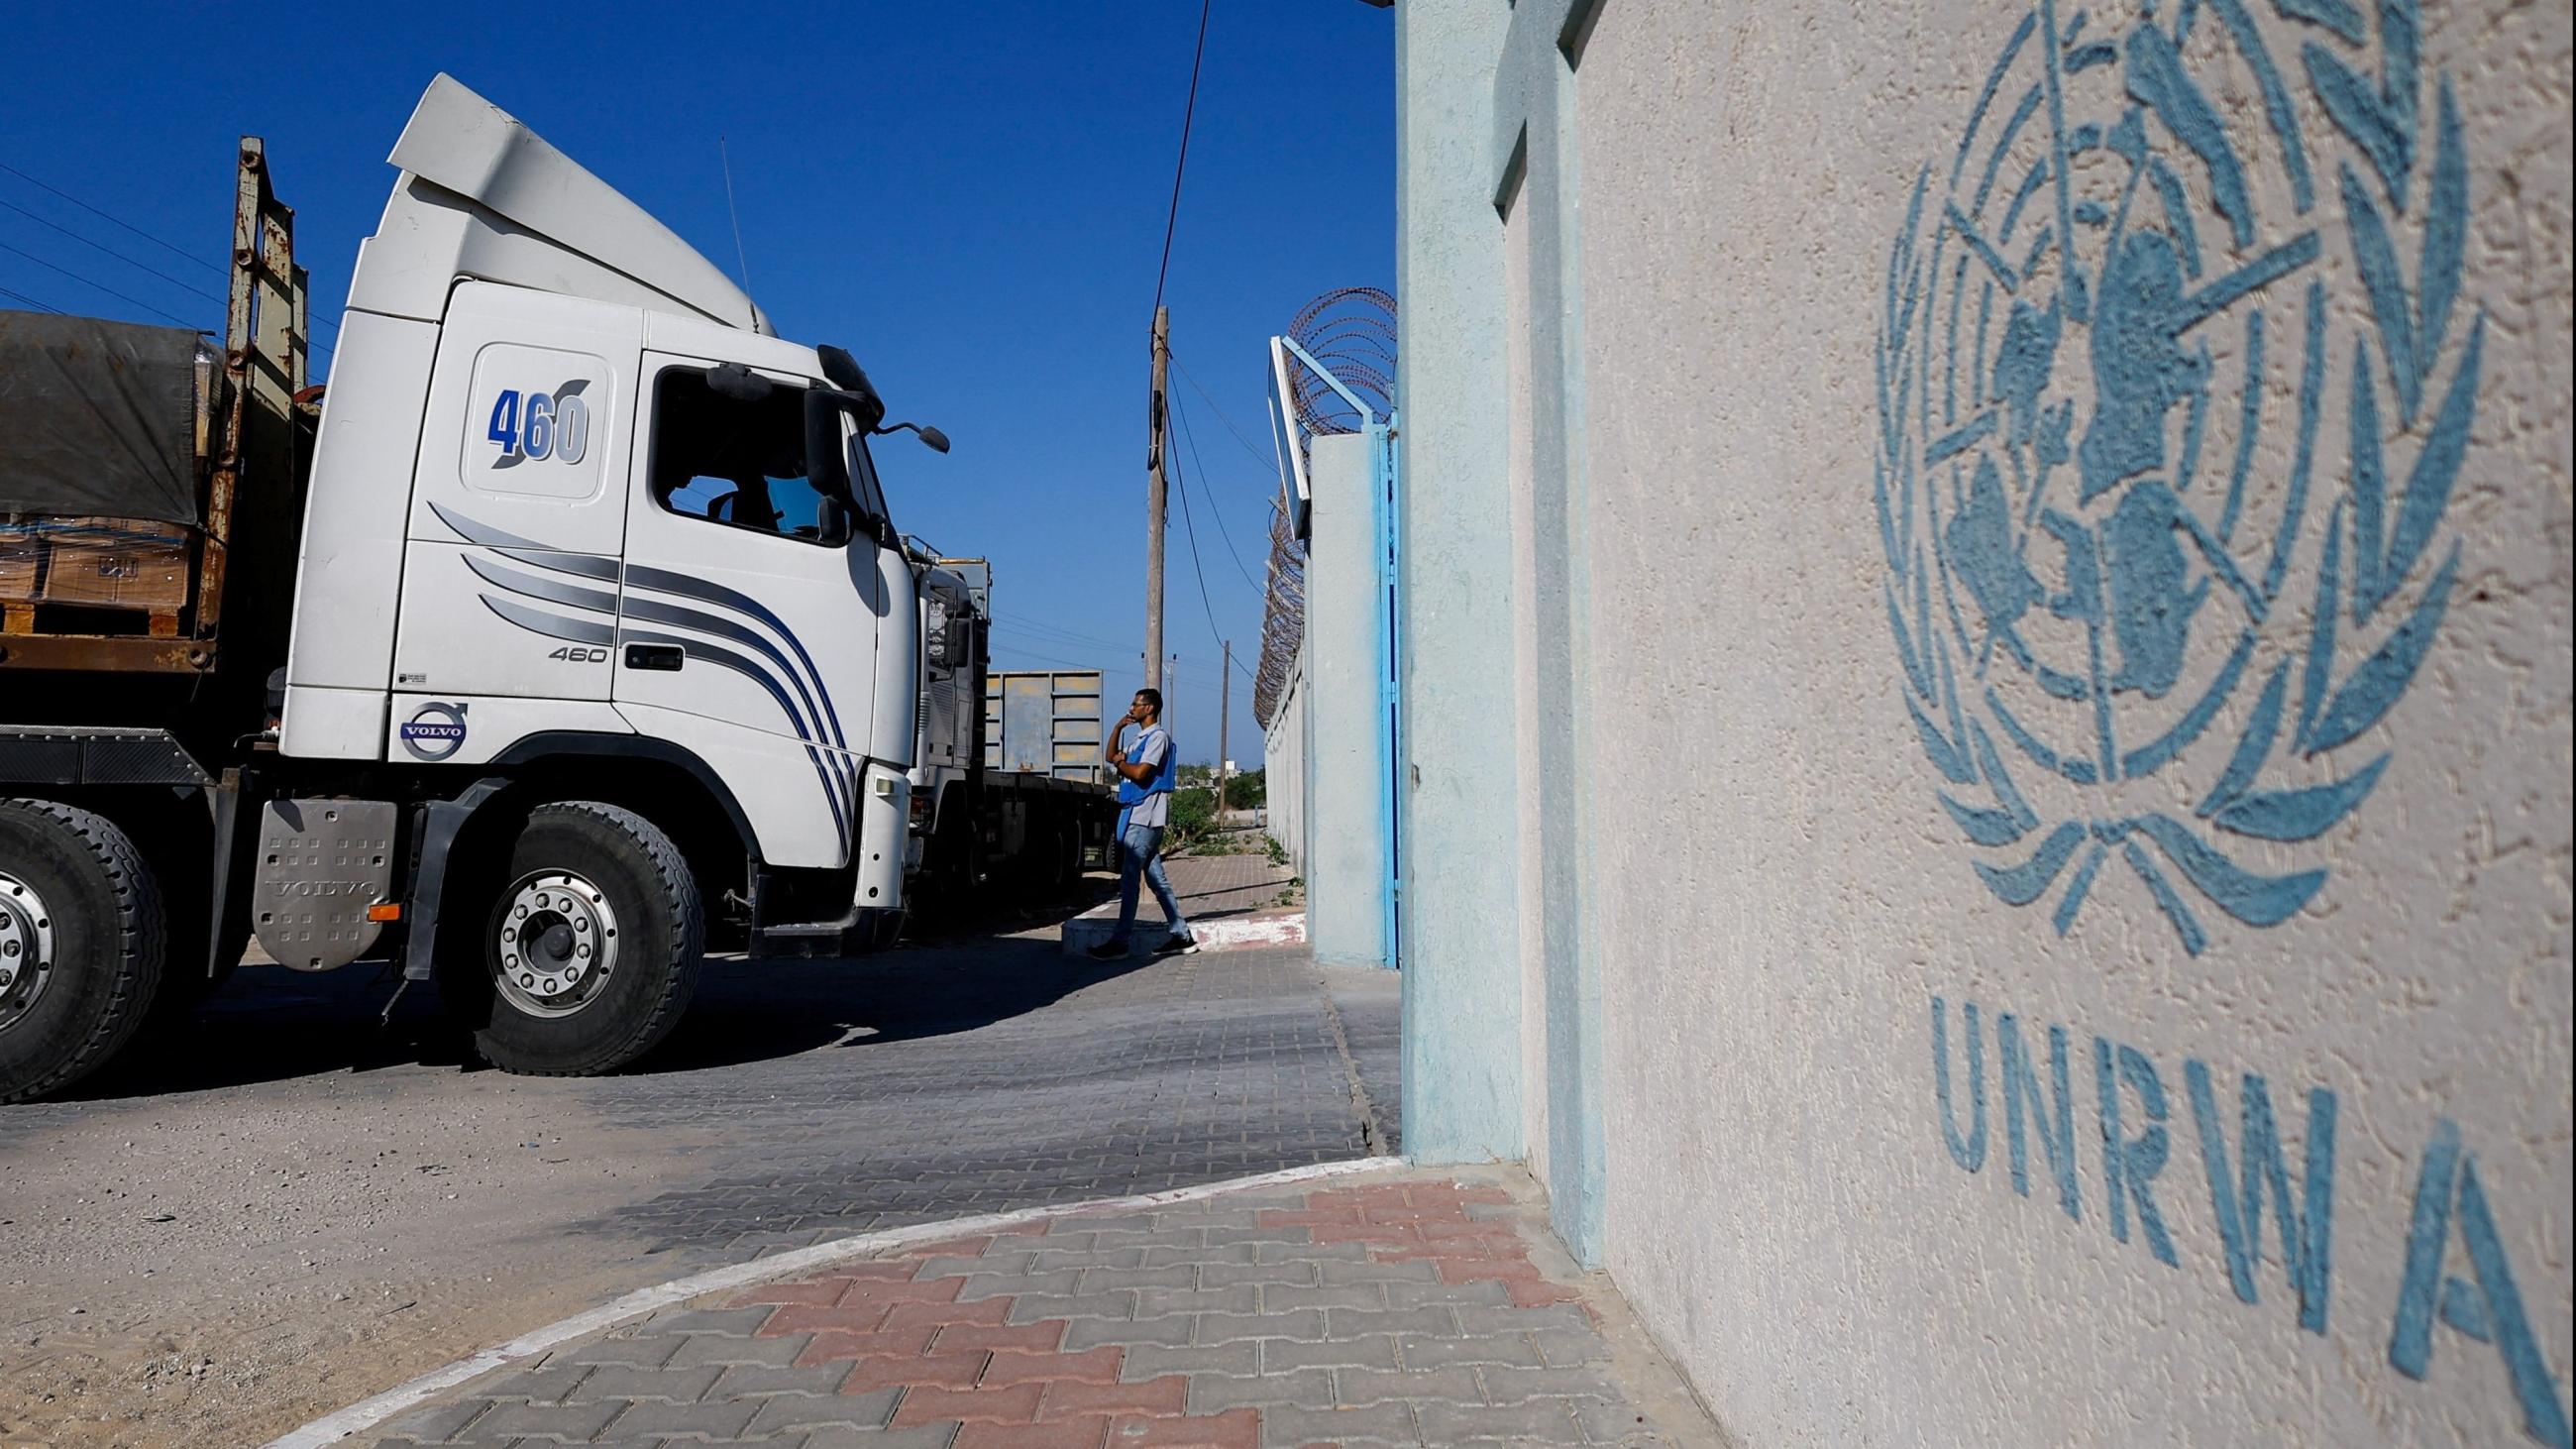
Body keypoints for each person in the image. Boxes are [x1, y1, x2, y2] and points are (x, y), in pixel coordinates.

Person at [1090, 688, 1197, 959]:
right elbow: (1110, 756)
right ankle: (1181, 935)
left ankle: (1120, 941)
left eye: (1137, 704)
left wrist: (1121, 764)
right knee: (1157, 880)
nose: (1132, 708)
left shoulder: (1158, 738)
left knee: (1129, 880)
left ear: (1149, 708)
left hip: (1146, 816)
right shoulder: (1139, 738)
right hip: (1135, 814)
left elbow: (1139, 772)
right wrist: (1117, 729)